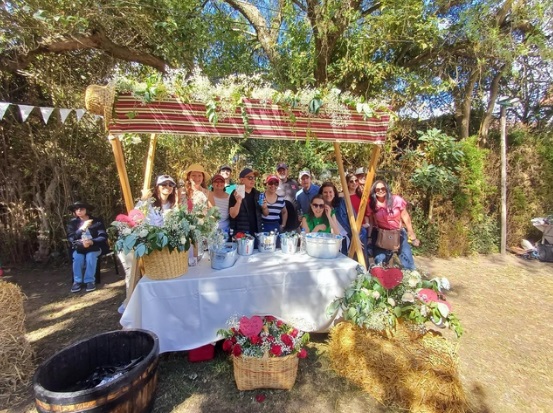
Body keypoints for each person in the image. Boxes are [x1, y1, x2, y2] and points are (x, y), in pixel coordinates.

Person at [366, 179, 420, 270]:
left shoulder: (396, 200)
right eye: (377, 189)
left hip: (398, 233)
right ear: (374, 191)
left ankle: (411, 276)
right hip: (382, 234)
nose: (380, 191)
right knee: (380, 262)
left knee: (408, 262)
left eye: (383, 188)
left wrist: (411, 232)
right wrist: (369, 237)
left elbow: (405, 216)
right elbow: (371, 221)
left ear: (386, 189)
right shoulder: (372, 204)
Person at [67, 201, 109, 293]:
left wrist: (92, 241)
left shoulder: (97, 221)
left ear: (86, 210)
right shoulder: (73, 223)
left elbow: (103, 236)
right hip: (80, 247)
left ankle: (89, 281)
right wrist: (81, 229)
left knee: (91, 256)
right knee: (77, 257)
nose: (79, 211)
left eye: (81, 209)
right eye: (76, 209)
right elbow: (71, 238)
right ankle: (77, 281)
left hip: (95, 246)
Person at [229, 168, 263, 246]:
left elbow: (264, 213)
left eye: (254, 178)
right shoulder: (235, 193)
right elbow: (233, 215)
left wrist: (264, 207)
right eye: (250, 178)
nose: (253, 180)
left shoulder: (257, 194)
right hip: (241, 235)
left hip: (256, 234)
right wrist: (238, 201)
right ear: (242, 180)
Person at [275, 163, 300, 229]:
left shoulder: (294, 182)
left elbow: (299, 197)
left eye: (283, 170)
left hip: (294, 219)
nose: (281, 172)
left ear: (287, 171)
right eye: (279, 171)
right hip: (280, 219)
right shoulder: (274, 184)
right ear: (276, 173)